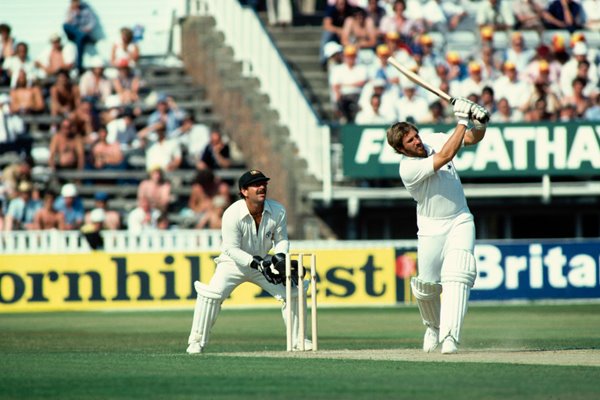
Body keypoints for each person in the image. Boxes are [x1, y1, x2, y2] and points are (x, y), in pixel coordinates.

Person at [385, 98, 490, 354]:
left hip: (460, 219)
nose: (417, 141)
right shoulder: (408, 168)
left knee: (459, 273)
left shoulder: (434, 138)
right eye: (410, 141)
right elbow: (446, 156)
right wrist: (462, 120)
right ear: (401, 149)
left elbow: (471, 139)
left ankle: (451, 336)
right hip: (431, 229)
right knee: (426, 286)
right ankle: (433, 327)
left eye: (416, 136)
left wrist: (481, 122)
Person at [186, 169, 310, 354]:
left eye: (264, 184)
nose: (262, 187)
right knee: (211, 295)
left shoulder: (277, 210)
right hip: (232, 264)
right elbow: (231, 248)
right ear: (244, 191)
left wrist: (280, 257)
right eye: (256, 185)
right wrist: (257, 263)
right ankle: (196, 341)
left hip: (263, 261)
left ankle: (299, 340)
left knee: (293, 293)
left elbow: (281, 239)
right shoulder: (232, 213)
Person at [63, 0, 98, 72]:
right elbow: (67, 23)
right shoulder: (70, 11)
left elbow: (92, 23)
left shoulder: (86, 10)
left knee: (80, 39)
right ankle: (79, 34)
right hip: (74, 35)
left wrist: (84, 30)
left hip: (84, 35)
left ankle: (79, 66)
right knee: (65, 26)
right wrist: (72, 13)